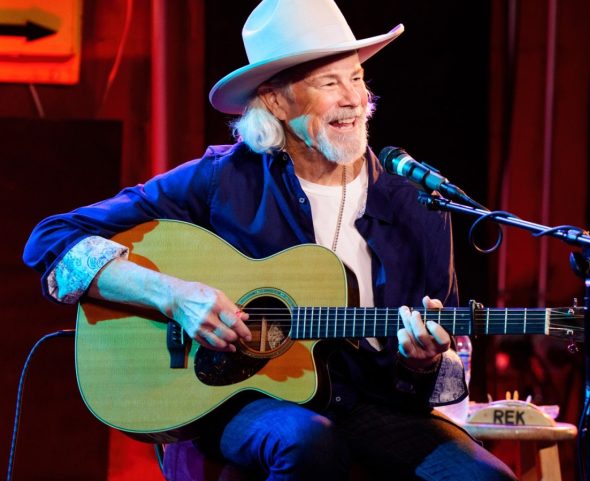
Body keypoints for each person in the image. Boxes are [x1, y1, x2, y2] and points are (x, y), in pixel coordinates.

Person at [23, 0, 517, 480]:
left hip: (370, 402)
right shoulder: (222, 179)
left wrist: (423, 361)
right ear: (277, 101)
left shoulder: (417, 204)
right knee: (308, 442)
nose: (353, 98)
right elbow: (52, 238)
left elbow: (441, 361)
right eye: (329, 82)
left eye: (357, 78)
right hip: (242, 398)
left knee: (485, 477)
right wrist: (174, 296)